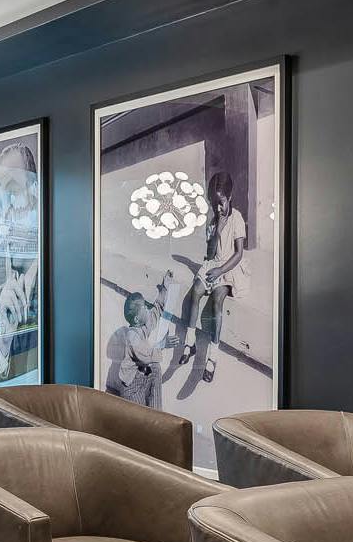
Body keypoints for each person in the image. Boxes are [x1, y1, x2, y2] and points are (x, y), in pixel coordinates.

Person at [172, 170, 247, 388]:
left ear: (230, 197)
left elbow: (239, 253)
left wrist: (221, 270)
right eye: (214, 203)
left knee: (216, 301)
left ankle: (213, 356)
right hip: (212, 264)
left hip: (229, 267)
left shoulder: (237, 218)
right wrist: (217, 231)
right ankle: (190, 342)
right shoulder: (213, 220)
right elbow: (210, 251)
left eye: (221, 202)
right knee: (195, 292)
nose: (218, 207)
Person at [0, 141, 43, 381]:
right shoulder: (2, 296)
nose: (5, 214)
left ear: (36, 192)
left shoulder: (61, 284)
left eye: (12, 193)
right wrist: (4, 342)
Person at [106, 271, 181, 406]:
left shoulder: (141, 327)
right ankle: (148, 416)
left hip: (139, 376)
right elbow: (145, 356)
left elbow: (156, 310)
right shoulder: (132, 336)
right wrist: (163, 344)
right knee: (141, 416)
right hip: (131, 388)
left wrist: (165, 287)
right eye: (144, 307)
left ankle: (157, 413)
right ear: (136, 319)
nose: (147, 308)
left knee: (156, 369)